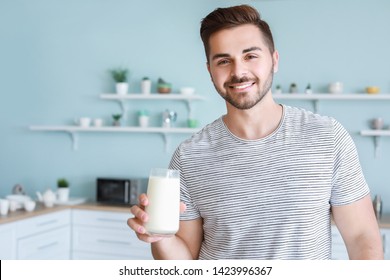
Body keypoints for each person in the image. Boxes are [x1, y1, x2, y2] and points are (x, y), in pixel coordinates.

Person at [127, 4, 383, 260]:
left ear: (274, 60)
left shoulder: (327, 137)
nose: (238, 72)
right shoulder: (189, 156)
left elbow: (362, 237)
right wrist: (161, 238)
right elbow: (184, 263)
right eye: (224, 61)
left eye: (250, 56)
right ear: (210, 71)